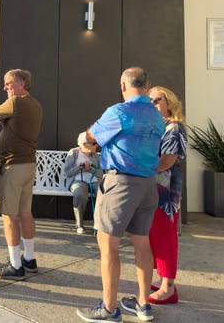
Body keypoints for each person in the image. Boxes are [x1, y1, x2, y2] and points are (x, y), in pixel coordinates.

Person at [77, 67, 165, 323]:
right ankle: (143, 304)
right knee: (142, 243)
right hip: (148, 184)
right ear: (147, 85)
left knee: (108, 245)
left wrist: (88, 141)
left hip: (121, 183)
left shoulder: (118, 111)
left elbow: (91, 136)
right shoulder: (156, 115)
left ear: (123, 86)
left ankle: (109, 308)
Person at [0, 69, 42, 280]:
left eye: (8, 83)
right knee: (25, 213)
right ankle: (29, 259)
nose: (5, 88)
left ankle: (15, 265)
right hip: (28, 164)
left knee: (9, 216)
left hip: (13, 166)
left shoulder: (15, 103)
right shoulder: (36, 105)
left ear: (21, 84)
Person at [145, 86, 187, 304]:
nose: (152, 103)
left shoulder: (173, 128)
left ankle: (168, 287)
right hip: (154, 188)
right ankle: (164, 280)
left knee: (164, 235)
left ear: (169, 103)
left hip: (165, 191)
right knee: (155, 234)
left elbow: (168, 160)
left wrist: (143, 169)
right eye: (149, 100)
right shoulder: (157, 127)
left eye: (157, 100)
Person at [64, 131, 103, 234]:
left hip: (94, 181)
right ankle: (79, 225)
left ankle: (100, 225)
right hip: (78, 181)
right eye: (94, 143)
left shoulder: (95, 155)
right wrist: (80, 167)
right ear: (85, 144)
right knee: (79, 194)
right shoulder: (74, 152)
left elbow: (100, 173)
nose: (97, 145)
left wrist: (90, 167)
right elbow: (68, 172)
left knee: (103, 194)